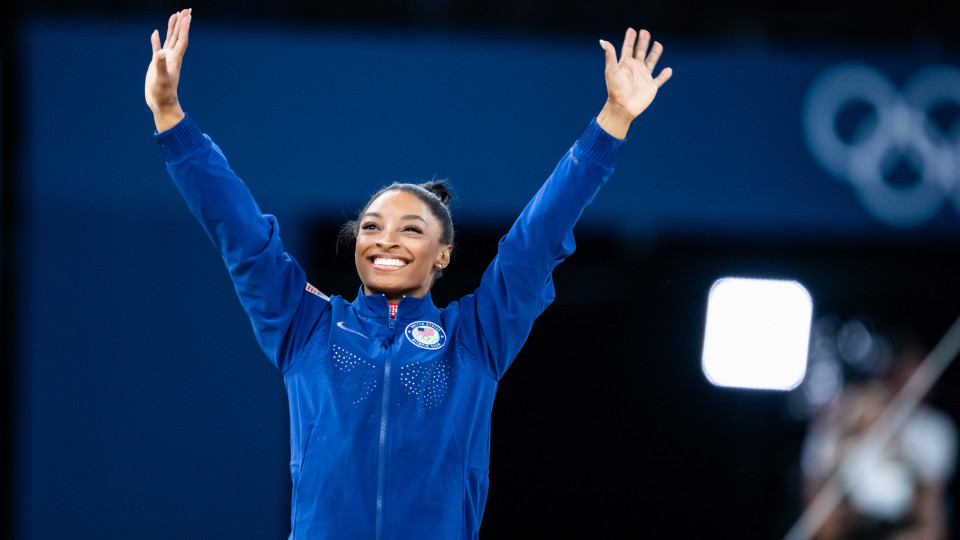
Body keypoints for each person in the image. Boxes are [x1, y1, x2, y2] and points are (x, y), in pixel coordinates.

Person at [145, 8, 671, 539]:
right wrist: (170, 116)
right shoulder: (307, 329)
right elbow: (241, 235)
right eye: (372, 227)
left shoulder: (474, 339)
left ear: (443, 254)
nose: (387, 239)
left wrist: (612, 122)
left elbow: (534, 243)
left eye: (412, 230)